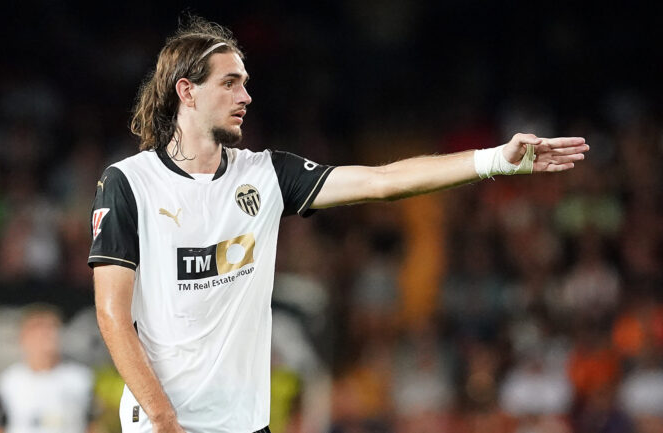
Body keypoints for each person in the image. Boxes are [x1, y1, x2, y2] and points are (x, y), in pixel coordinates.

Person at [88, 16, 589, 433]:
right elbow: (112, 314)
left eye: (246, 82)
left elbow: (381, 181)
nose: (246, 95)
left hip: (245, 422)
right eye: (230, 82)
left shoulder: (265, 173)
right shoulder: (129, 183)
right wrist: (162, 416)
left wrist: (494, 160)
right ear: (186, 91)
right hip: (163, 423)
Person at [0, 305, 97, 433]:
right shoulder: (7, 382)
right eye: (36, 333)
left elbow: (93, 424)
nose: (43, 338)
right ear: (22, 338)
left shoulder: (81, 379)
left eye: (49, 331)